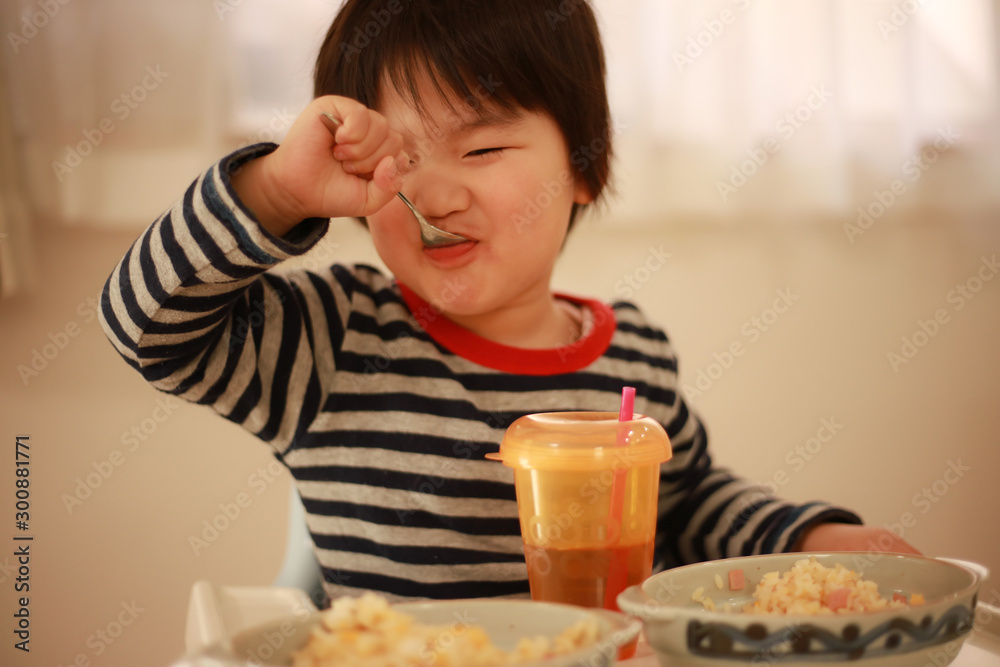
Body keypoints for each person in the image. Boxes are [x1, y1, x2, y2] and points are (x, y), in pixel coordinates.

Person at [99, 0, 917, 602]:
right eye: (393, 160)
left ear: (584, 167)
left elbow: (692, 502)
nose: (434, 193)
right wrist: (277, 190)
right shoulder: (335, 338)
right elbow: (145, 326)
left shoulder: (634, 355)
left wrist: (809, 536)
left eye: (483, 147)